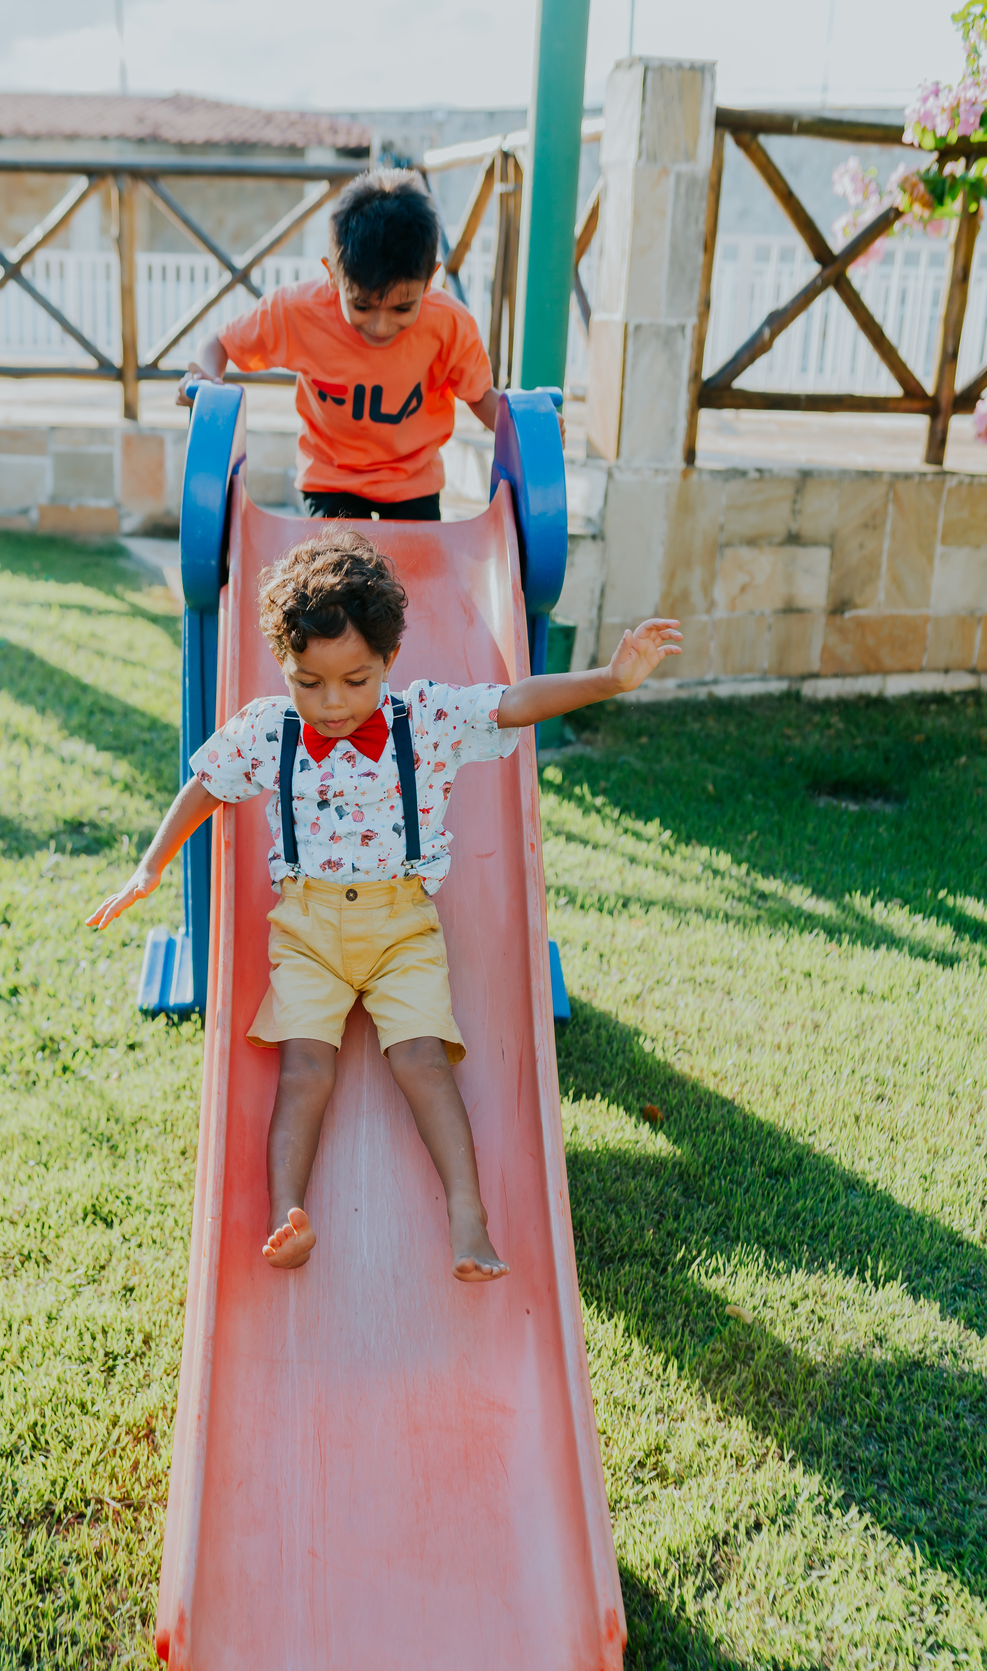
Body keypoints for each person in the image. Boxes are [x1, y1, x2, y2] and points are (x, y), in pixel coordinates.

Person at [87, 532, 681, 1281]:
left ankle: (468, 1216)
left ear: (389, 662)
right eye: (309, 682)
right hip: (306, 930)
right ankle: (287, 1217)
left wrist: (610, 679)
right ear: (283, 665)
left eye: (355, 681)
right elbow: (203, 784)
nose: (332, 703)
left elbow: (512, 704)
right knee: (305, 1071)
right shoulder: (269, 731)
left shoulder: (425, 720)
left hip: (403, 928)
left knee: (424, 1063)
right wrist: (149, 868)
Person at [176, 168, 499, 522]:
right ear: (333, 275)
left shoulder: (449, 324)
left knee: (413, 573)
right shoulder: (298, 311)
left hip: (412, 481)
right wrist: (206, 379)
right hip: (330, 477)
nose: (381, 325)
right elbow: (219, 344)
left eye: (402, 308)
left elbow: (481, 397)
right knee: (338, 572)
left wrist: (531, 428)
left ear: (429, 280)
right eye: (362, 305)